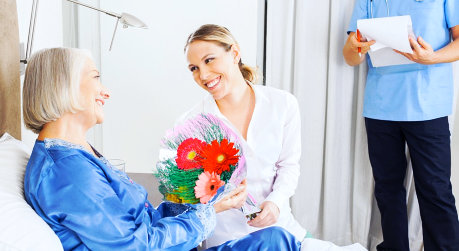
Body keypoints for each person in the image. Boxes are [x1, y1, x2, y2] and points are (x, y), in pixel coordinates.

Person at [22, 47, 302, 251]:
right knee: (278, 243)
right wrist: (203, 215)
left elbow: (138, 223)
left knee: (276, 239)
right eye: (95, 78)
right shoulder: (69, 174)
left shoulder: (75, 155)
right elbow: (134, 247)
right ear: (64, 85)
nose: (105, 91)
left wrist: (208, 207)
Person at [183, 24, 367, 251]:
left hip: (284, 230)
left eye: (209, 60)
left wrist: (275, 203)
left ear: (235, 53)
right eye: (194, 68)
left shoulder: (282, 104)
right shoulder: (191, 124)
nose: (203, 75)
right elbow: (185, 198)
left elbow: (288, 167)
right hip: (228, 242)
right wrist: (215, 202)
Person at [343, 1, 459, 250]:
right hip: (380, 106)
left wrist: (433, 58)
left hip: (428, 106)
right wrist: (354, 47)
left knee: (435, 191)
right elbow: (351, 57)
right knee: (387, 190)